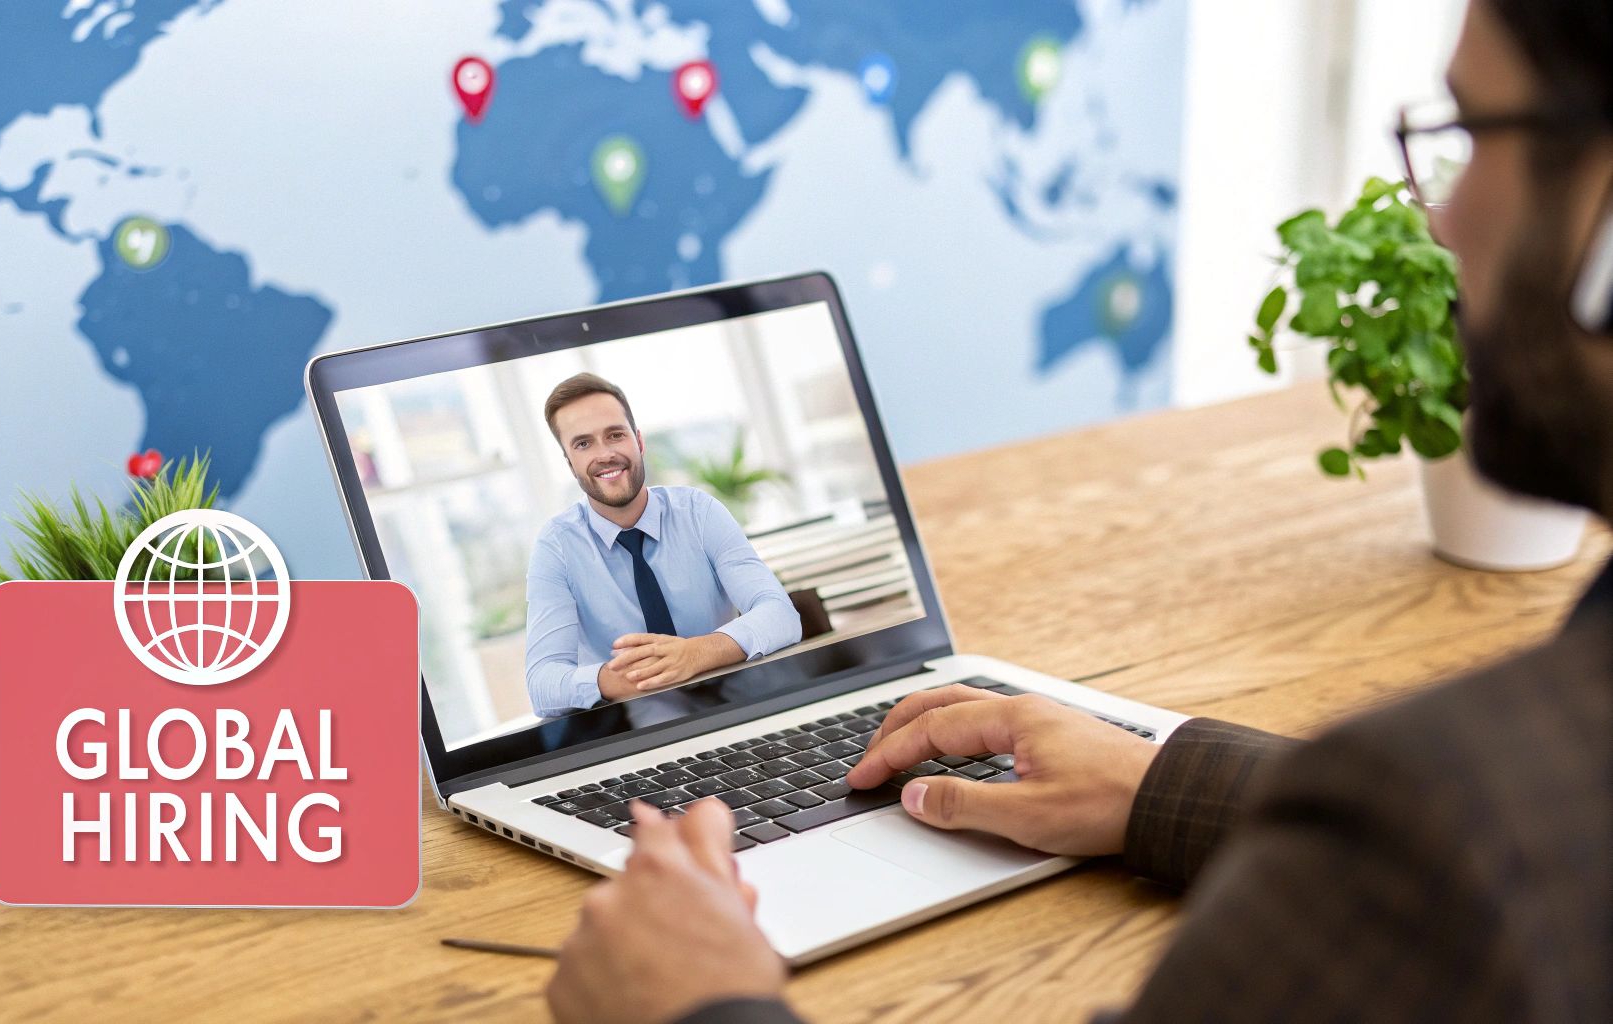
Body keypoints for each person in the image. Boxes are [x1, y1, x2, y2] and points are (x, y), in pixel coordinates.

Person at [546, 1, 1613, 1020]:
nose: (1439, 218)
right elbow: (541, 683)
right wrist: (1165, 785)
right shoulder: (1480, 804)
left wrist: (699, 1007)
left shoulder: (1459, 817)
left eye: (1473, 134)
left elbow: (772, 616)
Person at [525, 373, 803, 721]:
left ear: (638, 441)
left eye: (615, 434)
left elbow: (781, 616)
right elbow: (542, 684)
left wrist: (695, 654)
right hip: (646, 721)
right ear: (569, 463)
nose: (605, 454)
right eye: (583, 444)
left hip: (740, 698)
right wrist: (621, 678)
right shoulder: (557, 548)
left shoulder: (699, 513)